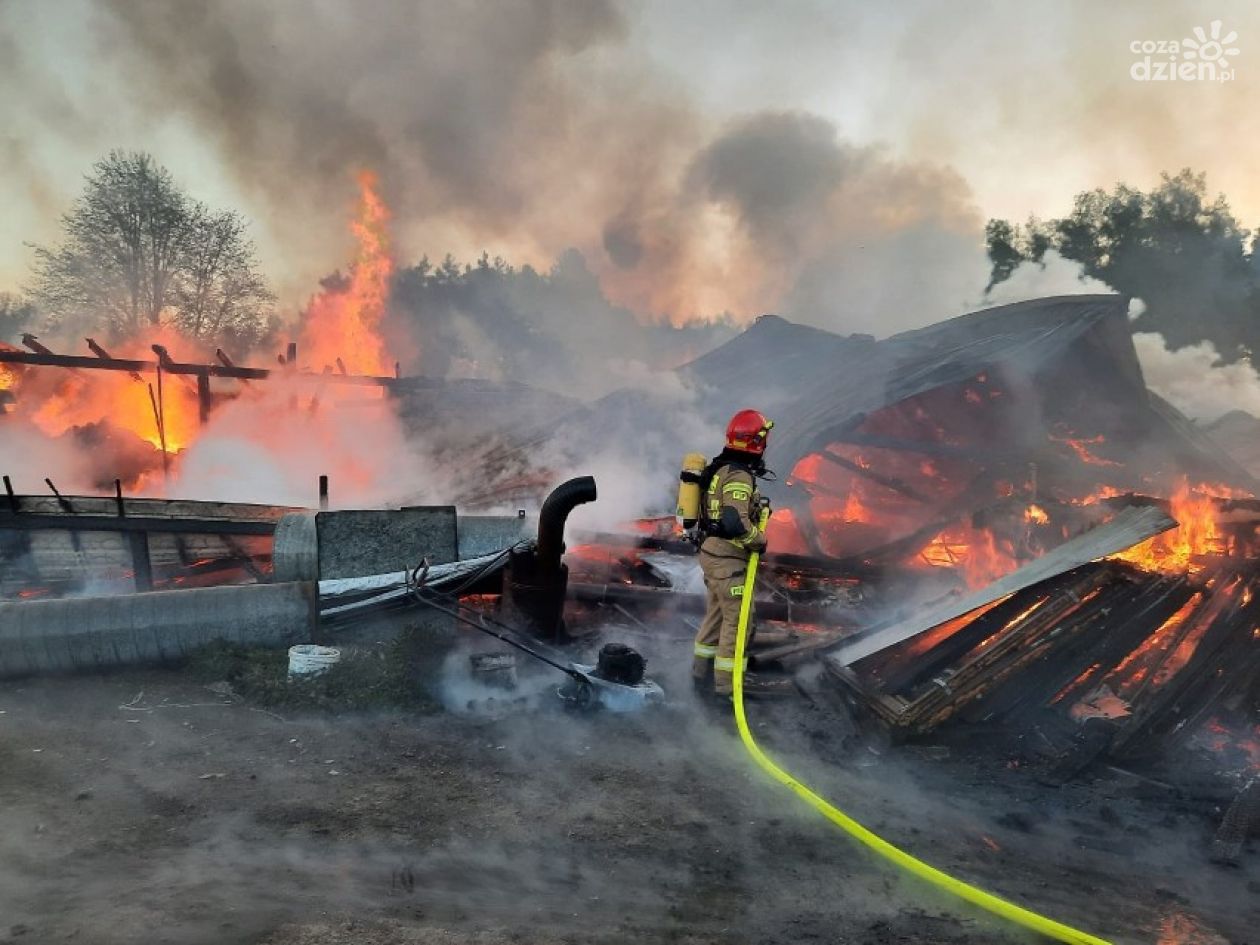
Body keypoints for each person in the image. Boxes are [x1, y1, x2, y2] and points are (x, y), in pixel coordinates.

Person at [692, 409, 773, 697]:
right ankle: (727, 688)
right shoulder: (739, 475)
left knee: (715, 616)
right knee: (737, 622)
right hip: (728, 560)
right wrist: (758, 540)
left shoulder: (720, 468)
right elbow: (733, 520)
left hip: (711, 554)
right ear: (757, 442)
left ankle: (699, 676)